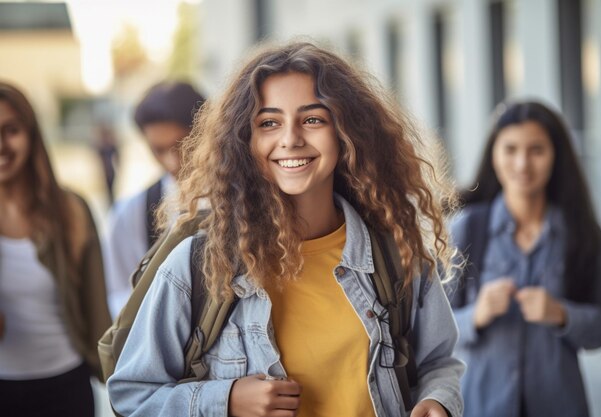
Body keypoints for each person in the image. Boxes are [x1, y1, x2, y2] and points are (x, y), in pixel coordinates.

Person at [107, 41, 464, 417]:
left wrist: (437, 400)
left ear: (346, 133)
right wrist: (224, 400)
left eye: (312, 119)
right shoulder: (197, 266)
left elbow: (439, 362)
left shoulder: (397, 253)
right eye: (269, 123)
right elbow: (132, 394)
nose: (291, 139)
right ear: (245, 140)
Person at [447, 100, 601, 417]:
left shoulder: (582, 233)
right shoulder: (467, 228)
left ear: (556, 156)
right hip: (480, 406)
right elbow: (428, 327)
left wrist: (562, 314)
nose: (522, 163)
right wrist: (477, 315)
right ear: (494, 154)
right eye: (510, 149)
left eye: (536, 150)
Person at [0, 81, 112, 416]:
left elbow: (97, 308)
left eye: (11, 130)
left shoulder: (71, 209)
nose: (2, 144)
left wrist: (120, 379)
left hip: (66, 387)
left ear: (32, 134)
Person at [104, 81, 205, 317]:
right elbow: (120, 297)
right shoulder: (132, 212)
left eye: (183, 145)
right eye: (159, 150)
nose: (173, 162)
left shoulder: (245, 197)